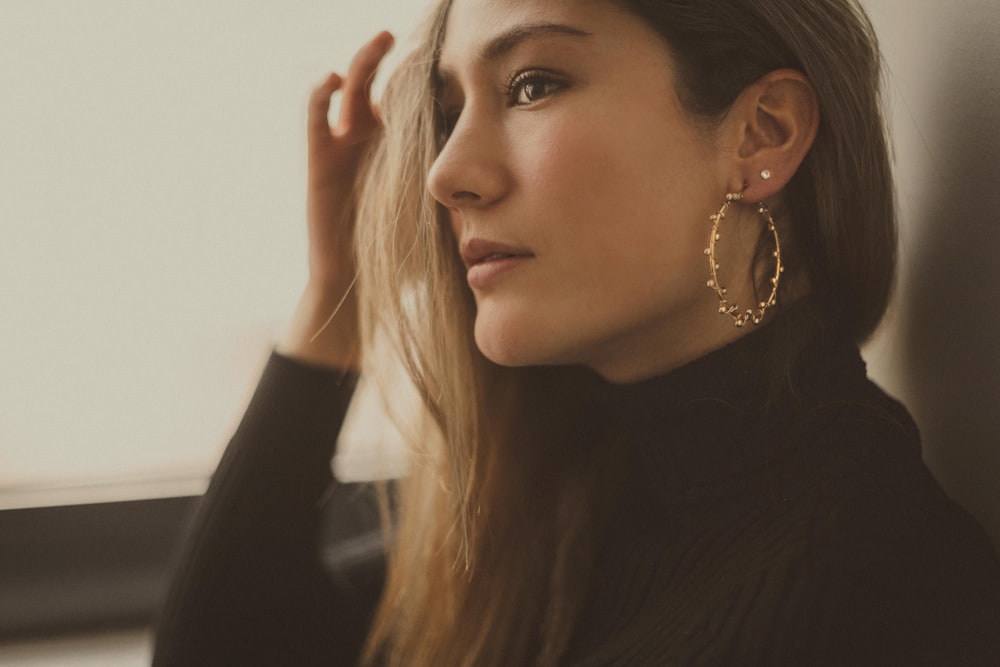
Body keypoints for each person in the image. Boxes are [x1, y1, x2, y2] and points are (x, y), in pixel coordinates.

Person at [153, 0, 1000, 665]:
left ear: (761, 134)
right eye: (448, 112)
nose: (445, 174)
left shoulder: (869, 593)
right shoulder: (560, 502)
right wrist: (339, 294)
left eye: (532, 84)